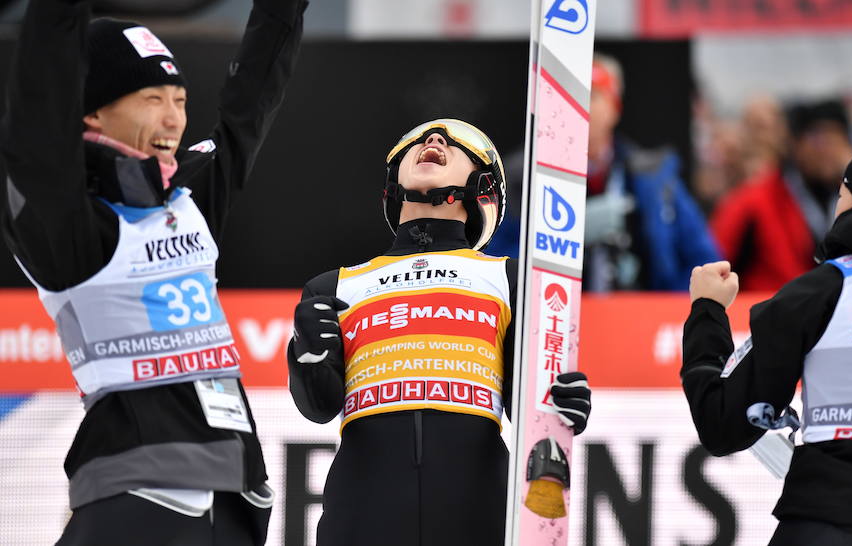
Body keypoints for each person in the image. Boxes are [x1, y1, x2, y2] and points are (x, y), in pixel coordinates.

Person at [0, 0, 308, 543]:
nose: (173, 119)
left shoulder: (185, 197)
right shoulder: (70, 227)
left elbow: (249, 106)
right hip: (137, 491)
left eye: (180, 100)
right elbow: (41, 116)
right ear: (91, 112)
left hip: (236, 493)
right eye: (152, 100)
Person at [287, 119, 592, 545]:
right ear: (393, 184)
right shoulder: (334, 286)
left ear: (483, 186)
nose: (433, 140)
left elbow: (531, 415)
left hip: (476, 507)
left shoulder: (511, 279)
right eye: (418, 140)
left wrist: (562, 406)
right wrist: (305, 356)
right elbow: (318, 406)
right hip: (363, 511)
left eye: (456, 142)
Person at [681, 125, 852, 545]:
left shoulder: (820, 292)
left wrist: (707, 311)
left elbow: (723, 422)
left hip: (826, 523)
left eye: (841, 195)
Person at [576, 55, 720, 291]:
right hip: (558, 317)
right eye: (569, 95)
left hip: (637, 316)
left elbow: (705, 261)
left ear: (615, 107)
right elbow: (501, 262)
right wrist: (563, 240)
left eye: (592, 95)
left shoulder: (654, 177)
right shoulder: (526, 179)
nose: (579, 105)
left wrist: (663, 312)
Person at [710, 99, 852, 292]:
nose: (829, 149)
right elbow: (712, 269)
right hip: (767, 313)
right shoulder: (752, 202)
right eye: (818, 139)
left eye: (837, 138)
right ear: (795, 143)